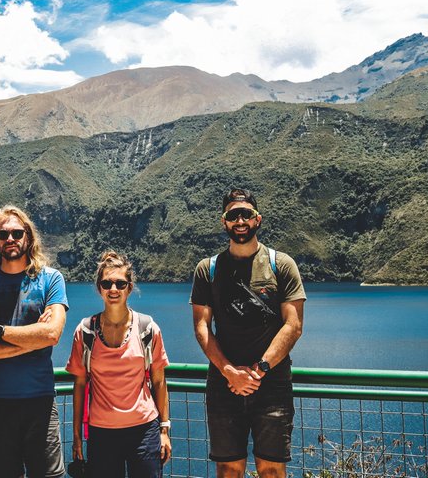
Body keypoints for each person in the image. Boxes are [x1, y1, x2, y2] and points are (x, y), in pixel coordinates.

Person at [190, 188, 306, 478]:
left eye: (246, 214)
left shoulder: (281, 265)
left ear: (258, 219)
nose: (240, 221)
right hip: (224, 384)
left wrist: (259, 370)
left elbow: (293, 325)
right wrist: (229, 371)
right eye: (233, 215)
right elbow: (202, 326)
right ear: (224, 221)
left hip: (272, 384)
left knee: (271, 470)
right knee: (228, 470)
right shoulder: (208, 269)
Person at [0, 204, 68, 478]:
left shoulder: (51, 280)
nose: (10, 239)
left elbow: (52, 334)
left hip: (40, 400)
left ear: (28, 236)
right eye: (3, 234)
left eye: (17, 233)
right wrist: (34, 338)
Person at [66, 251, 171, 478]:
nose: (113, 289)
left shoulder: (147, 328)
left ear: (129, 288)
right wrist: (77, 436)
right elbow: (80, 385)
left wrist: (164, 429)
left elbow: (159, 381)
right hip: (102, 432)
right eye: (107, 283)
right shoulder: (85, 332)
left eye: (120, 283)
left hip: (144, 429)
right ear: (99, 288)